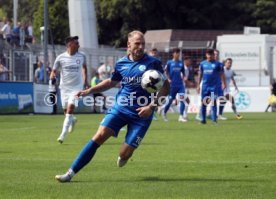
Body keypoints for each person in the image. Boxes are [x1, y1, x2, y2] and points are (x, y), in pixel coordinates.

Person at [55, 30, 170, 183]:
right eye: (137, 43)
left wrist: (152, 106)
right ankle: (70, 173)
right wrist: (90, 90)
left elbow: (166, 87)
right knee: (99, 136)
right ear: (129, 45)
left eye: (143, 44)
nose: (141, 47)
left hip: (142, 115)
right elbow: (111, 82)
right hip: (120, 109)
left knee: (124, 155)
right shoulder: (121, 63)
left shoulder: (153, 63)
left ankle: (124, 155)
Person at [49, 36, 89, 143]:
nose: (79, 45)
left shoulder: (82, 56)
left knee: (70, 109)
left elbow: (85, 68)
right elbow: (54, 70)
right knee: (66, 111)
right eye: (76, 43)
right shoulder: (60, 58)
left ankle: (62, 135)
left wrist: (85, 82)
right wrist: (52, 76)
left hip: (77, 88)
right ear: (70, 45)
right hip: (64, 88)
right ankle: (73, 120)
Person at [197, 49, 226, 124]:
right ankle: (203, 119)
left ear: (213, 55)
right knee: (204, 103)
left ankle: (214, 120)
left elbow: (222, 74)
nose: (209, 56)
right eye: (208, 54)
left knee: (213, 102)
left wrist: (223, 83)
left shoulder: (218, 64)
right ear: (206, 55)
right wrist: (198, 86)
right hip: (205, 87)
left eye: (211, 55)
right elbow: (200, 75)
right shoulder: (202, 64)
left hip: (213, 87)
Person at [162, 48, 187, 122]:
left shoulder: (181, 63)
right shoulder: (169, 62)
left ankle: (181, 116)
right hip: (172, 85)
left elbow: (183, 73)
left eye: (178, 53)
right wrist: (168, 79)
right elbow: (165, 72)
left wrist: (184, 77)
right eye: (176, 53)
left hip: (180, 85)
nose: (178, 54)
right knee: (170, 100)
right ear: (173, 54)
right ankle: (164, 113)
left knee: (182, 99)